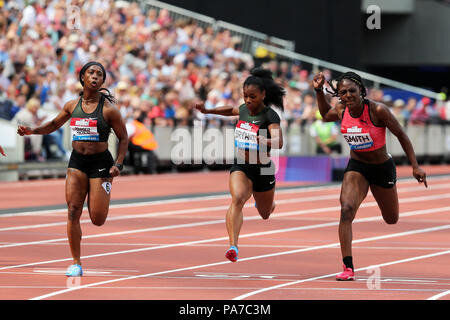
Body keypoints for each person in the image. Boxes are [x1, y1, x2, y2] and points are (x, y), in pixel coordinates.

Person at [312, 71, 427, 281]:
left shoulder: (378, 110)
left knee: (391, 219)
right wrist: (319, 91)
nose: (347, 95)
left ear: (362, 91)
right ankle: (348, 267)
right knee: (346, 210)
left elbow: (401, 134)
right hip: (358, 167)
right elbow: (324, 114)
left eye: (351, 91)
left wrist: (415, 166)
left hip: (382, 167)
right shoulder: (340, 109)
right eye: (343, 92)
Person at [17, 61, 128, 277]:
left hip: (101, 163)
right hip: (77, 161)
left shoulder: (109, 110)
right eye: (91, 73)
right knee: (72, 211)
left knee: (97, 218)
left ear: (102, 81)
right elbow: (53, 125)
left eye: (99, 74)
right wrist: (33, 130)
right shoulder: (71, 105)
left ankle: (98, 192)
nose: (95, 77)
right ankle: (76, 262)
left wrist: (118, 164)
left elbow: (124, 138)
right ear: (82, 78)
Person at [195, 68, 285, 262]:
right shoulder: (243, 109)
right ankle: (233, 246)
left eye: (252, 96)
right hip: (242, 165)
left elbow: (278, 142)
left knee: (264, 214)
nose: (248, 100)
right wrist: (207, 111)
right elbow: (229, 110)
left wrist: (262, 140)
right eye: (245, 96)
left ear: (263, 95)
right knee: (237, 200)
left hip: (263, 169)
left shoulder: (270, 116)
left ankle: (270, 205)